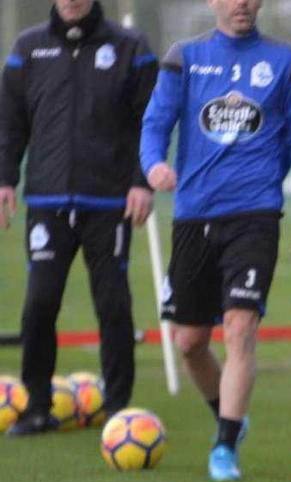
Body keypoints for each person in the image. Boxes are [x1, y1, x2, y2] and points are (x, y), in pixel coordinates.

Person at [139, 0, 291, 482]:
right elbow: (155, 123)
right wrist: (154, 162)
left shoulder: (285, 62)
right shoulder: (185, 57)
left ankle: (224, 447)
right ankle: (230, 415)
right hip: (193, 216)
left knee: (240, 328)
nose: (241, 3)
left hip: (255, 215)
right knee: (189, 342)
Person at [0, 0, 157, 436]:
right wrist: (5, 178)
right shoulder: (27, 48)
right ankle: (36, 408)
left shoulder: (130, 46)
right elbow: (10, 123)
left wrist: (142, 181)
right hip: (48, 203)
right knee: (38, 305)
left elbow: (151, 120)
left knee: (112, 304)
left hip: (109, 203)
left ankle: (119, 408)